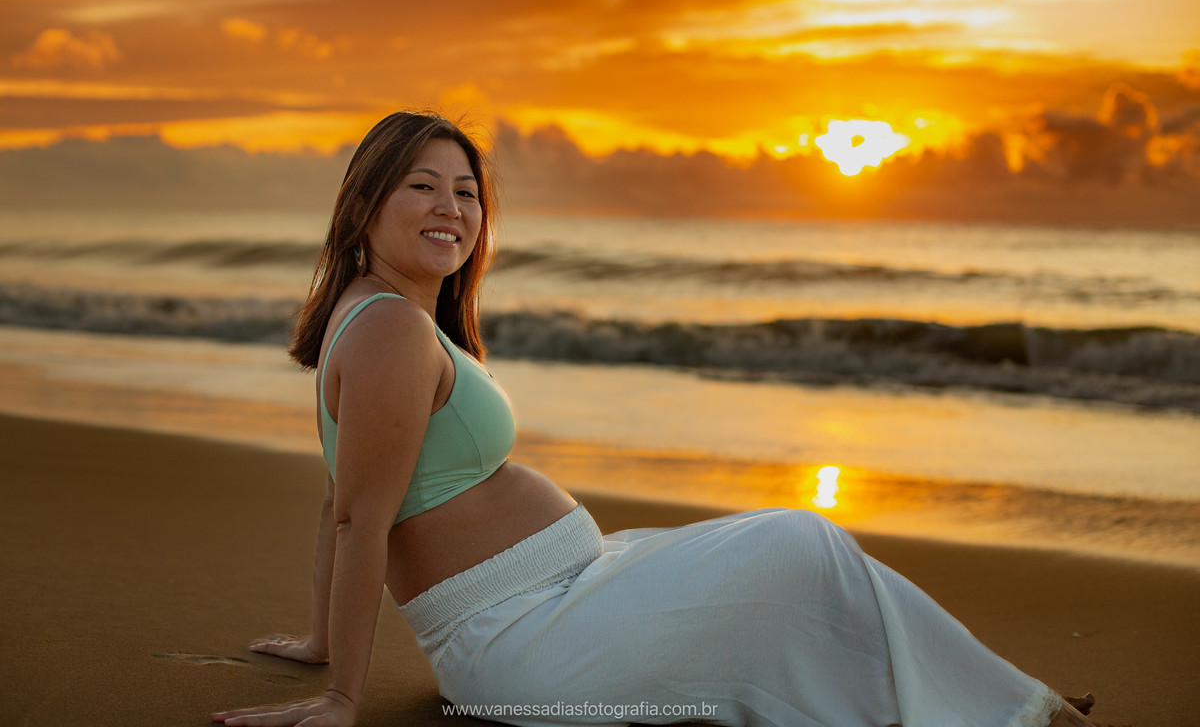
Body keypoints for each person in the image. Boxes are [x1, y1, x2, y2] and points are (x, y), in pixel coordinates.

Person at [211, 111, 1097, 727]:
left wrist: (325, 640)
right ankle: (1009, 708)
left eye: (468, 193)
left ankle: (991, 703)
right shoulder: (392, 331)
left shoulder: (375, 315)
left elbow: (341, 491)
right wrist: (343, 697)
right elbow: (361, 516)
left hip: (559, 604)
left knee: (791, 573)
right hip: (525, 648)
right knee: (799, 546)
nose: (452, 209)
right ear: (366, 203)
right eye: (423, 187)